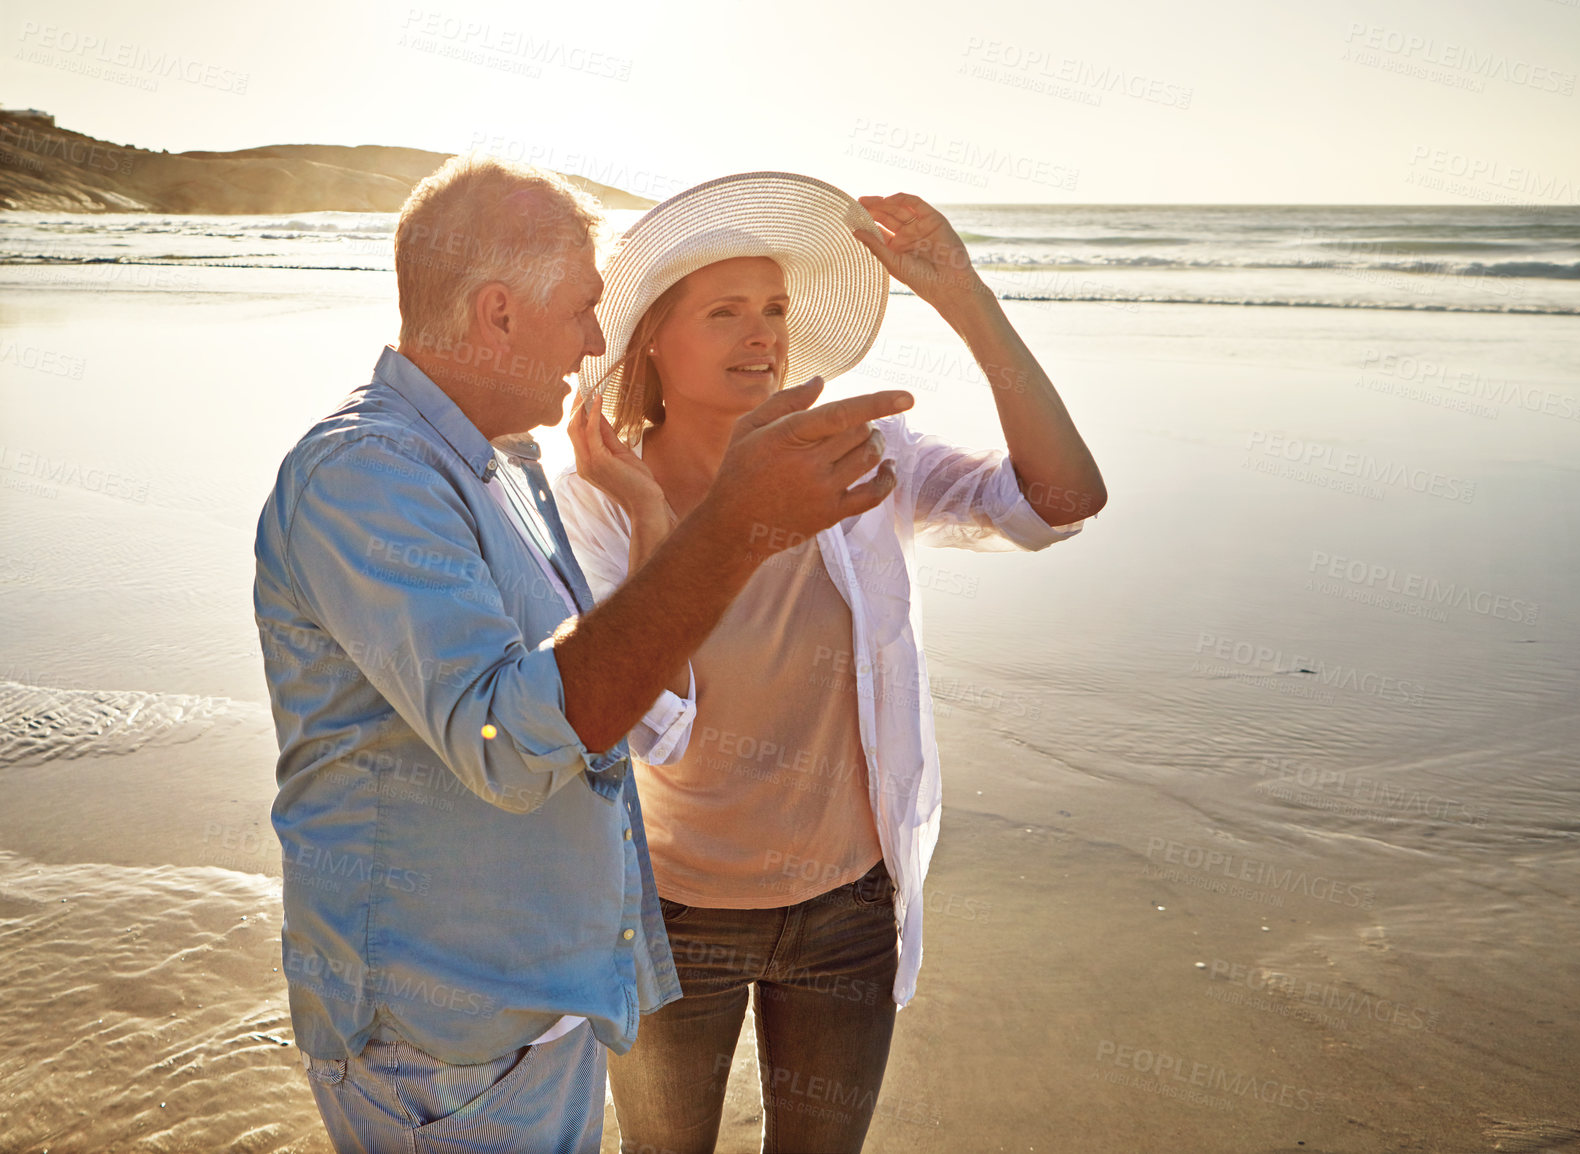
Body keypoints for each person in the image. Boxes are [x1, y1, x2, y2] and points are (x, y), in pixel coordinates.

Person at [252, 155, 912, 1153]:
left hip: (537, 1011)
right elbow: (510, 740)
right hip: (444, 1045)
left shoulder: (506, 467)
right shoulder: (367, 474)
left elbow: (622, 707)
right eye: (580, 309)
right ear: (498, 313)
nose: (597, 341)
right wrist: (731, 524)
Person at [553, 171, 1106, 1153]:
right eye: (724, 311)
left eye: (773, 307)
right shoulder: (598, 501)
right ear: (652, 345)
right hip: (671, 914)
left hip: (846, 906)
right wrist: (651, 520)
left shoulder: (861, 449)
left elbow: (1058, 500)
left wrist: (967, 301)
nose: (763, 332)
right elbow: (647, 721)